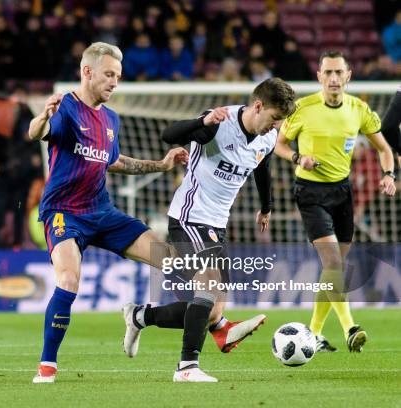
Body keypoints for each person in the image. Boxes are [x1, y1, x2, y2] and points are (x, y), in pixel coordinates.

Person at [28, 42, 263, 384]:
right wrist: (43, 117)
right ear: (87, 71)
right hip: (64, 213)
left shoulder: (110, 118)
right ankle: (47, 366)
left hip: (103, 212)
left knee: (177, 262)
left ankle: (155, 318)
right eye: (109, 74)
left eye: (118, 76)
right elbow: (38, 132)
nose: (114, 82)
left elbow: (116, 162)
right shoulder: (66, 107)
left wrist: (161, 164)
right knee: (68, 280)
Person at [123, 78, 297, 382]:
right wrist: (202, 120)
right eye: (273, 119)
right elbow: (168, 135)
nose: (275, 127)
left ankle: (141, 316)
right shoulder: (219, 123)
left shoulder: (268, 137)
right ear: (258, 106)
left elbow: (262, 168)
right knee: (208, 283)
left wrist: (266, 206)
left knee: (211, 311)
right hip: (189, 218)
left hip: (217, 224)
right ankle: (187, 367)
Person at [274, 51, 396, 353]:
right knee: (333, 263)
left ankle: (313, 333)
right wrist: (299, 157)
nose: (333, 79)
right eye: (327, 72)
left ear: (348, 75)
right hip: (310, 192)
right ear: (319, 76)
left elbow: (384, 148)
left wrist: (389, 174)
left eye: (338, 73)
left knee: (334, 269)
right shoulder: (302, 108)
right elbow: (279, 145)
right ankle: (350, 327)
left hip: (342, 192)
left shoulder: (359, 109)